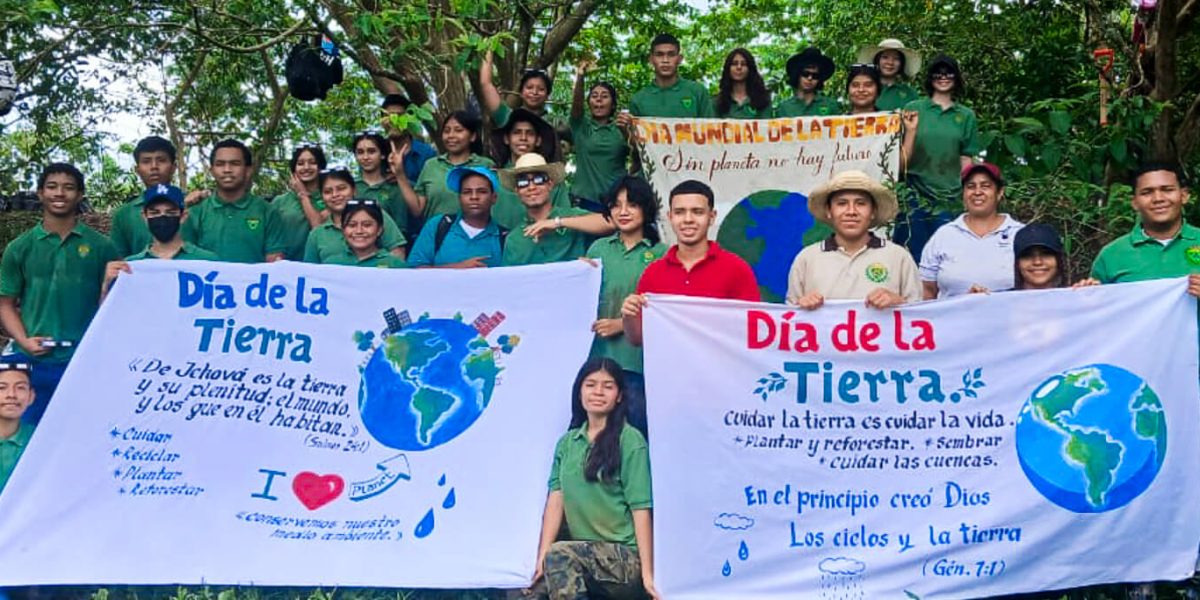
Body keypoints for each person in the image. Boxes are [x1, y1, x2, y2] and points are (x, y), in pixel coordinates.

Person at [529, 358, 659, 600]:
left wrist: (648, 576)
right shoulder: (567, 443)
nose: (598, 392)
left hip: (624, 560)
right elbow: (555, 502)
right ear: (579, 391)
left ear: (619, 396)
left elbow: (641, 508)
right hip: (581, 559)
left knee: (561, 555)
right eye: (590, 385)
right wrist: (542, 558)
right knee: (530, 591)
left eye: (608, 386)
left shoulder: (630, 440)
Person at [0, 163, 119, 424]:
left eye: (68, 187)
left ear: (80, 195)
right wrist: (24, 340)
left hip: (84, 360)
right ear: (40, 193)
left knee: (81, 430)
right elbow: (5, 304)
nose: (60, 193)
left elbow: (115, 305)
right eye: (52, 187)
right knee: (26, 433)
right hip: (31, 360)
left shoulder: (102, 247)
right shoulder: (19, 248)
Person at [621, 180, 760, 347]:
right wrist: (629, 316)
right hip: (668, 363)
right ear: (670, 217)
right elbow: (638, 339)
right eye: (679, 212)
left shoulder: (737, 269)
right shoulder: (653, 273)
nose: (688, 219)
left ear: (711, 217)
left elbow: (752, 332)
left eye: (697, 212)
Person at [584, 177, 666, 437]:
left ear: (646, 208)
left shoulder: (662, 254)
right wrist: (576, 275)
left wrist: (621, 324)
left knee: (635, 436)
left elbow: (665, 311)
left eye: (632, 204)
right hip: (598, 360)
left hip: (638, 363)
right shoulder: (598, 249)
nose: (623, 211)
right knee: (598, 436)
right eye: (616, 205)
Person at [786, 170, 920, 309]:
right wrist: (802, 305)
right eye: (842, 203)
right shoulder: (807, 259)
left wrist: (898, 301)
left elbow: (919, 312)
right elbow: (788, 315)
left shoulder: (898, 257)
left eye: (861, 203)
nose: (851, 212)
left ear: (873, 211)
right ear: (829, 211)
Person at [897, 54, 983, 260]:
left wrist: (969, 193)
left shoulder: (966, 115)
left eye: (948, 73)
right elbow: (898, 154)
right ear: (930, 78)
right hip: (913, 193)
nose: (943, 77)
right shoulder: (914, 108)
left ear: (956, 77)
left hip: (948, 196)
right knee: (912, 255)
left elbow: (966, 158)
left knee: (946, 255)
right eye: (938, 73)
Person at [919, 162, 1024, 298]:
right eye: (971, 186)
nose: (977, 192)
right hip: (954, 312)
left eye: (985, 186)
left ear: (999, 193)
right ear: (963, 194)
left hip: (1009, 312)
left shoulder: (1019, 233)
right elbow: (926, 290)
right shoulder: (944, 236)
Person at [101, 185, 220, 302]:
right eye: (155, 213)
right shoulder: (129, 267)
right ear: (145, 217)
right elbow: (113, 312)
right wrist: (106, 286)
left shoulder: (209, 261)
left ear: (183, 216)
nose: (162, 217)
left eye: (170, 212)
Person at [182, 139, 286, 263]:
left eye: (235, 163)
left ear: (248, 170)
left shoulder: (268, 211)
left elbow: (274, 263)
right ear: (212, 171)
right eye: (220, 164)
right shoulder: (195, 211)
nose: (227, 169)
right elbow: (185, 259)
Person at [500, 153, 613, 266]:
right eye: (523, 182)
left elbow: (611, 223)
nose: (532, 187)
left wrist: (557, 222)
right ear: (517, 191)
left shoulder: (572, 215)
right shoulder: (513, 240)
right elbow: (509, 276)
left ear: (550, 184)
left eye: (539, 179)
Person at [402, 111, 496, 224]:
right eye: (447, 131)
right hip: (436, 233)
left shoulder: (486, 165)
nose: (451, 135)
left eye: (458, 130)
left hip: (477, 233)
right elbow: (417, 210)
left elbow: (497, 206)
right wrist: (399, 173)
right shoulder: (431, 165)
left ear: (472, 136)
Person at [303, 166, 407, 264]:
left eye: (341, 188)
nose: (335, 195)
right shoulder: (317, 234)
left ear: (354, 190)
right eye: (328, 191)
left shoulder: (375, 215)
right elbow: (309, 271)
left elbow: (397, 252)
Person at [407, 166, 506, 268]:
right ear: (459, 198)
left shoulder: (504, 239)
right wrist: (457, 268)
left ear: (494, 198)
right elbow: (413, 270)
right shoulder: (438, 226)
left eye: (482, 191)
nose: (474, 197)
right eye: (467, 192)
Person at [490, 109, 573, 230]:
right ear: (506, 139)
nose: (523, 138)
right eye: (517, 132)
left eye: (529, 133)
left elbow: (565, 219)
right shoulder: (493, 178)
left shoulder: (553, 179)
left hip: (543, 237)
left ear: (538, 140)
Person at [569, 60, 629, 212]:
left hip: (616, 203)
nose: (599, 99)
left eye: (605, 96)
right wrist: (580, 76)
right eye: (594, 96)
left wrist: (626, 131)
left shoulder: (621, 128)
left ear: (613, 104)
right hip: (583, 203)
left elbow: (637, 155)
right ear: (588, 102)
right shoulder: (581, 127)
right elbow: (576, 106)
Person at [109, 135, 179, 257]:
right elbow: (118, 260)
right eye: (146, 161)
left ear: (173, 167)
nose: (154, 167)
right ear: (137, 170)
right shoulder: (123, 214)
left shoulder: (194, 206)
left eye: (161, 160)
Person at [620, 33, 715, 121]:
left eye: (671, 54)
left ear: (679, 59)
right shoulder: (639, 99)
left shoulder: (697, 92)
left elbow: (711, 128)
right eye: (659, 55)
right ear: (651, 59)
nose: (665, 60)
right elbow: (633, 133)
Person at [479, 49, 567, 134]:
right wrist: (490, 46)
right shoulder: (508, 117)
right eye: (529, 87)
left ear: (547, 95)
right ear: (521, 92)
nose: (534, 92)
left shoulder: (556, 123)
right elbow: (486, 84)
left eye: (541, 89)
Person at [273, 143, 327, 260]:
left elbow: (318, 229)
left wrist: (303, 195)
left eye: (312, 162)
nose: (306, 167)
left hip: (319, 265)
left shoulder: (329, 198)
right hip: (286, 264)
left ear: (320, 167)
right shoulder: (280, 201)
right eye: (300, 163)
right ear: (294, 169)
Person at [351, 129, 409, 234]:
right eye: (360, 152)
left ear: (382, 155)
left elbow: (401, 229)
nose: (365, 157)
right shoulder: (349, 186)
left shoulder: (395, 187)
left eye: (371, 151)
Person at [324, 200, 408, 268]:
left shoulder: (395, 265)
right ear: (343, 230)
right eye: (352, 225)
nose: (359, 231)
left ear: (379, 230)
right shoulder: (331, 264)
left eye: (367, 225)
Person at [380, 93, 437, 187]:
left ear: (410, 120)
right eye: (389, 116)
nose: (394, 121)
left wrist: (401, 179)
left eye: (399, 116)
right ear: (382, 121)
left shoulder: (426, 153)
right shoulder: (374, 152)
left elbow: (432, 190)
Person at [774, 47, 841, 117]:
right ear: (797, 75)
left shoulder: (831, 105)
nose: (810, 78)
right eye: (805, 74)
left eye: (815, 76)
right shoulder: (784, 108)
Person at [858, 39, 922, 111]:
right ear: (877, 60)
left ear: (901, 64)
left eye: (896, 58)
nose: (890, 62)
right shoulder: (864, 90)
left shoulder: (910, 93)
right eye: (885, 57)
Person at [0, 361, 34, 494]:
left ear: (31, 396)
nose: (11, 395)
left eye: (20, 388)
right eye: (2, 388)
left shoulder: (40, 439)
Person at [714, 48, 772, 119]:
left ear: (750, 68)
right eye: (734, 64)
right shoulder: (717, 102)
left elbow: (766, 123)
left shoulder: (763, 99)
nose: (739, 67)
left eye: (743, 64)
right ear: (728, 68)